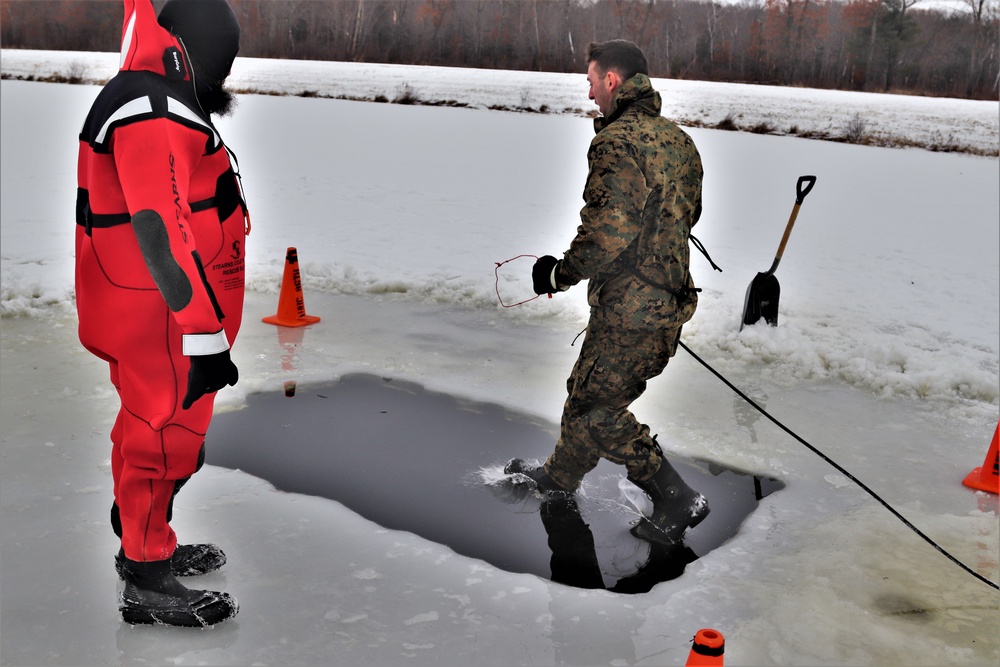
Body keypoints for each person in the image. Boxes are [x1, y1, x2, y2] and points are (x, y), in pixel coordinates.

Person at [75, 0, 247, 627]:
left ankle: (146, 538)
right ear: (195, 54)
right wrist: (203, 335)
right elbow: (161, 232)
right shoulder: (152, 109)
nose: (224, 80)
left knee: (146, 426)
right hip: (163, 317)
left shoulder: (158, 97)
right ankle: (147, 576)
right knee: (164, 438)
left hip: (157, 311)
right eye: (221, 65)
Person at [506, 39, 710, 545]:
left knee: (599, 412)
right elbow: (686, 216)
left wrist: (558, 273)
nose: (590, 90)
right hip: (660, 300)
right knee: (586, 394)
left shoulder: (617, 142)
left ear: (612, 81)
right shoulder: (678, 140)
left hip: (634, 311)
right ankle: (558, 477)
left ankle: (675, 495)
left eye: (592, 79)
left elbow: (607, 232)